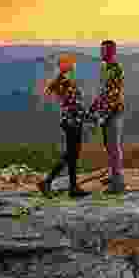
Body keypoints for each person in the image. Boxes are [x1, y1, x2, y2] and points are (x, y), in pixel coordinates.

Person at [38, 53, 91, 198]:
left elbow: (70, 101)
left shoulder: (63, 80)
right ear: (64, 66)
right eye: (70, 63)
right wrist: (87, 115)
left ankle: (73, 187)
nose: (73, 65)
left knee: (73, 155)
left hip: (72, 120)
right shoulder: (64, 81)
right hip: (72, 121)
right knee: (71, 154)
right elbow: (73, 103)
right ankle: (47, 181)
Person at [86, 40, 126, 194]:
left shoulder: (116, 69)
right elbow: (102, 92)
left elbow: (113, 95)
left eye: (105, 51)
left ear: (113, 52)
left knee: (113, 146)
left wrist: (104, 114)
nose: (102, 53)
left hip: (113, 112)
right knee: (109, 146)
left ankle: (118, 183)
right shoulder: (105, 68)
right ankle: (113, 174)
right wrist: (94, 107)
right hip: (105, 111)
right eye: (101, 50)